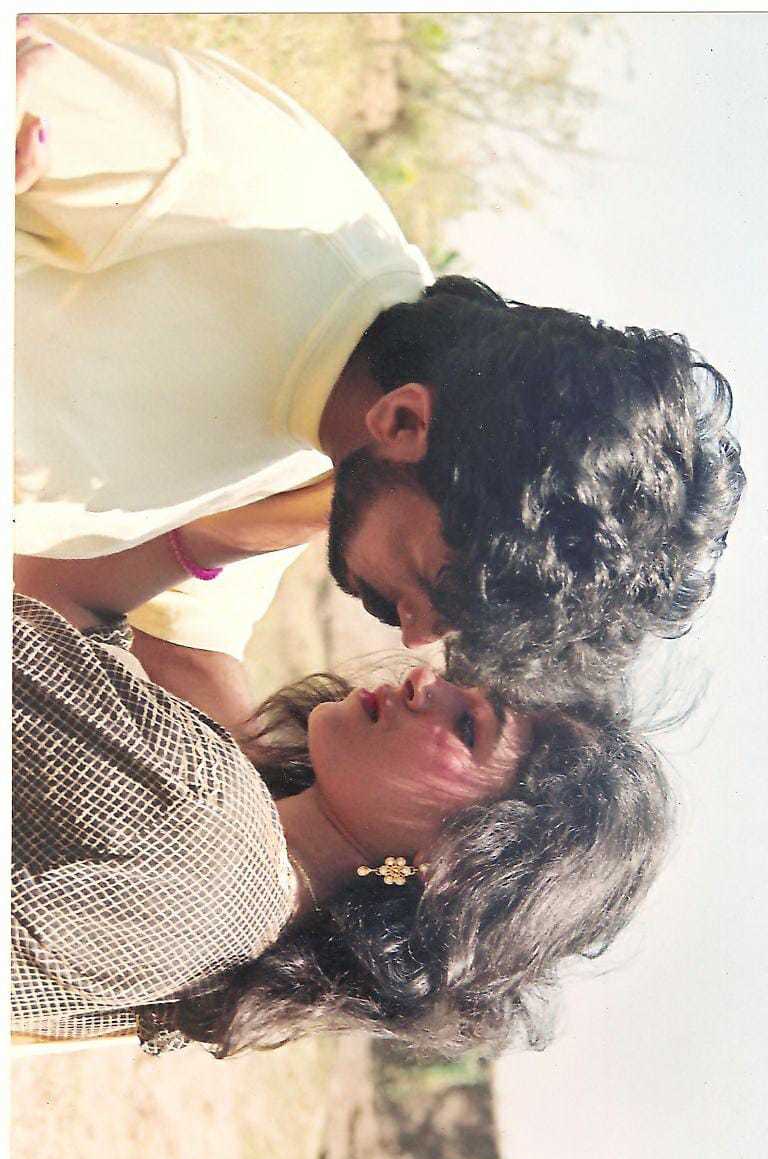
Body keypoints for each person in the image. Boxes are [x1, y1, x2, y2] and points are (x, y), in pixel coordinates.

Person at [14, 18, 744, 719]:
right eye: (439, 592)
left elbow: (180, 644)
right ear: (404, 420)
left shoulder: (327, 472)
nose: (416, 636)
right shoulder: (242, 196)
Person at [12, 554, 671, 1058]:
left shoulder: (205, 820)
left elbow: (37, 605)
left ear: (457, 863)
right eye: (459, 681)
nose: (423, 680)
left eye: (468, 727)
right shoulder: (237, 962)